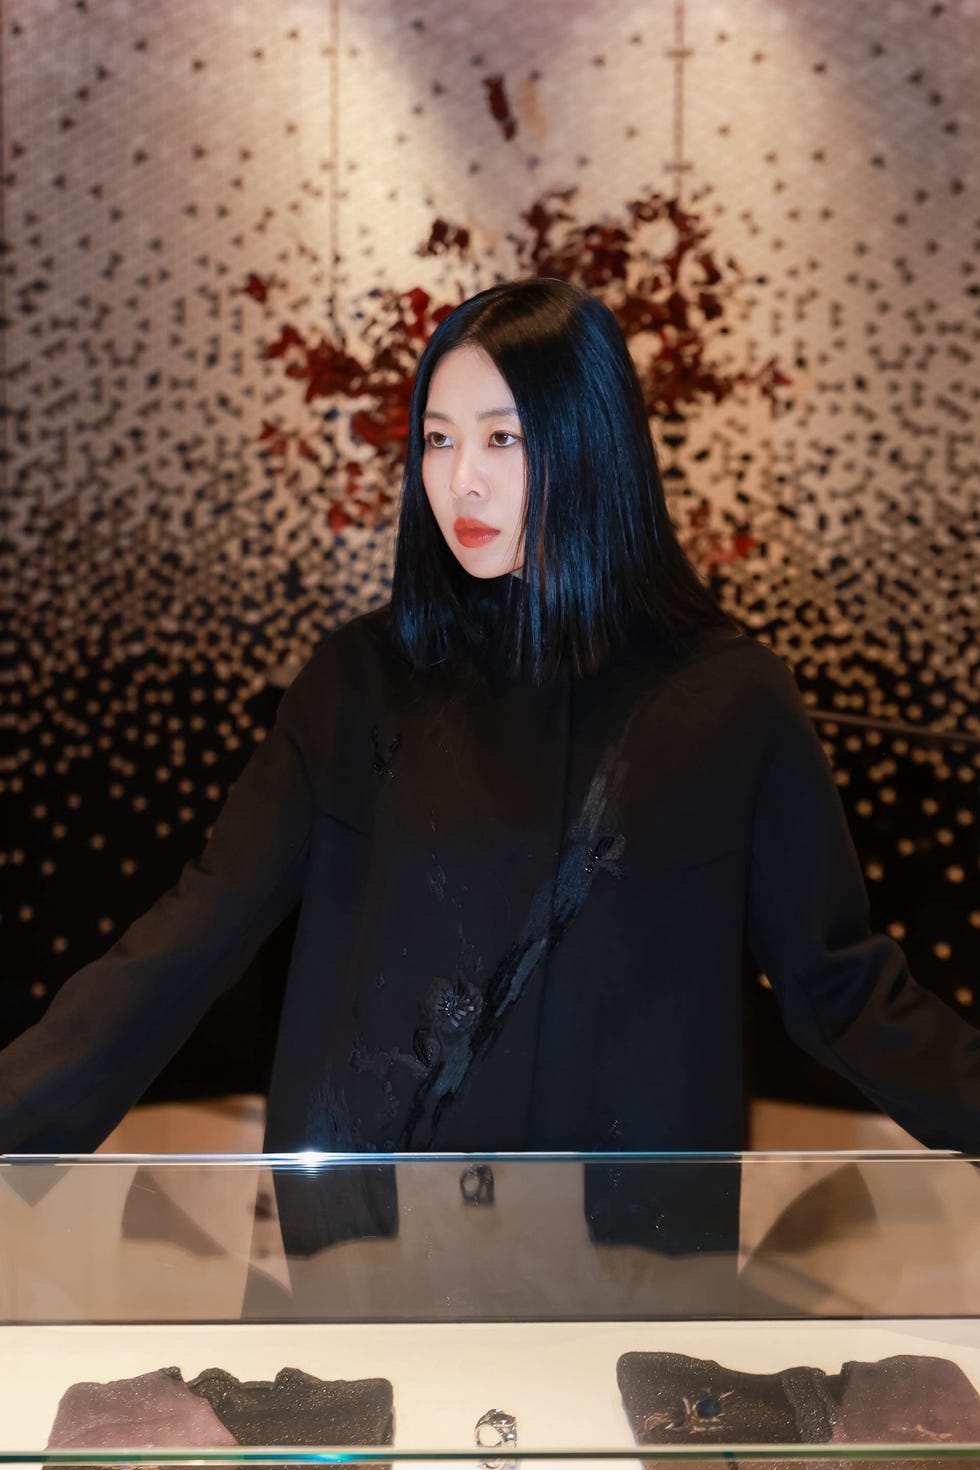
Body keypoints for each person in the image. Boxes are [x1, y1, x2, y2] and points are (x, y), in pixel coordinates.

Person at [1, 277, 977, 1163]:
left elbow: (840, 991)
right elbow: (194, 934)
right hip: (373, 1239)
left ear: (589, 442)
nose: (458, 478)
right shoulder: (360, 680)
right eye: (436, 437)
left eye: (502, 438)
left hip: (627, 1259)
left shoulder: (724, 697)